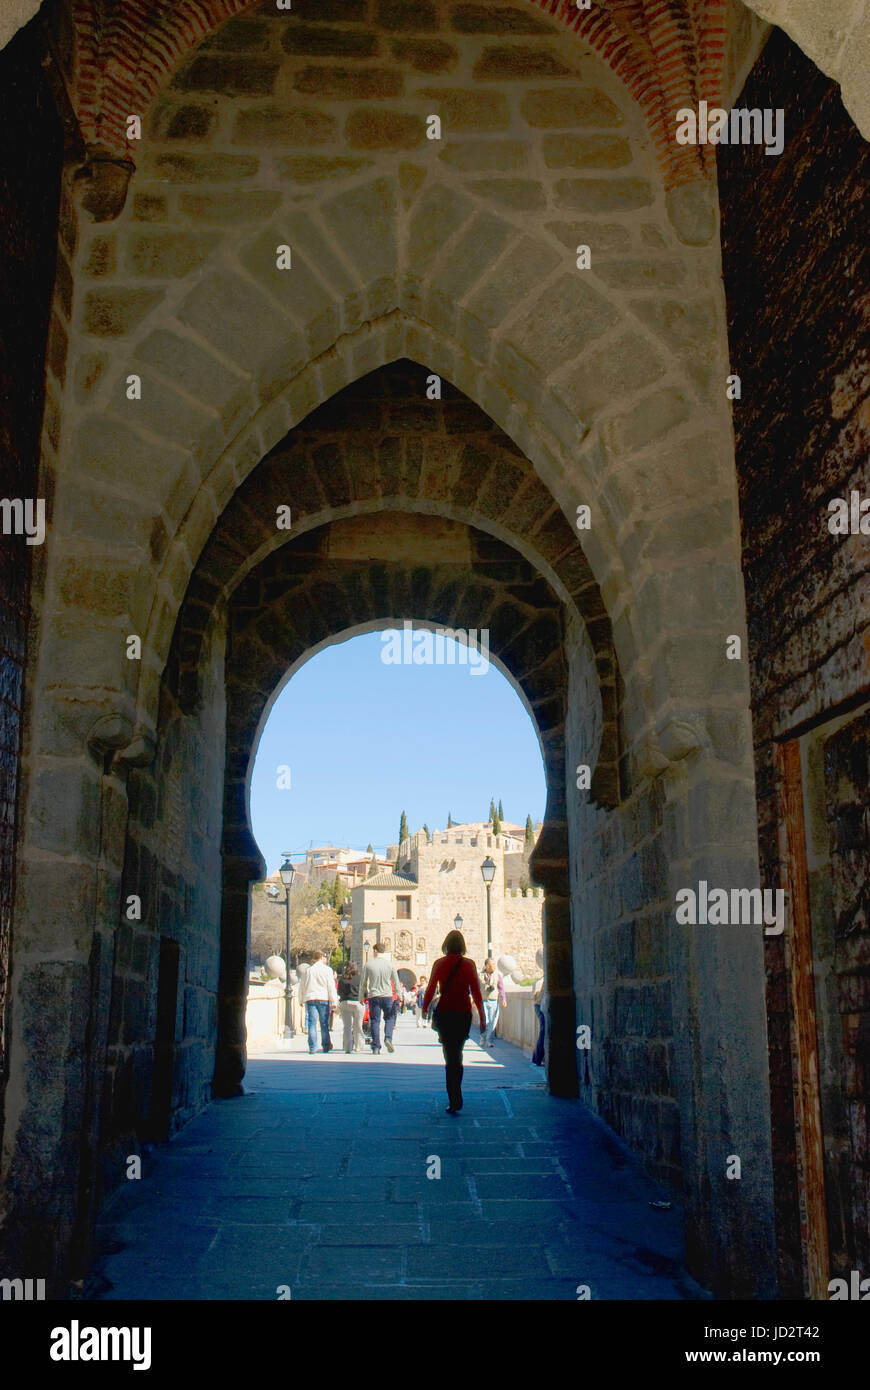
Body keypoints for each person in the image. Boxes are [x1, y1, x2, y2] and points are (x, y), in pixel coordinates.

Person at [423, 929, 485, 1114]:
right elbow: (476, 991)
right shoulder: (469, 965)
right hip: (463, 1013)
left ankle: (454, 1097)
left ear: (446, 945)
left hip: (446, 1012)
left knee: (449, 1055)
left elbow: (431, 987)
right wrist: (482, 1017)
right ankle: (456, 1094)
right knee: (457, 1053)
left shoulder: (439, 964)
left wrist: (425, 1007)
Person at [358, 942, 401, 1054]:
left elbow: (363, 982)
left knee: (375, 1020)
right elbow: (396, 982)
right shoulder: (390, 964)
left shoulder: (368, 964)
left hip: (374, 995)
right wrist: (399, 996)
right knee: (389, 1018)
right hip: (387, 995)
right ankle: (388, 1038)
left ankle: (376, 1046)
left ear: (375, 951)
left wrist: (361, 996)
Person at [297, 950, 338, 1054]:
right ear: (321, 958)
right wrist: (334, 1001)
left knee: (312, 1023)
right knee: (324, 1024)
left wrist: (301, 999)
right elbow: (331, 986)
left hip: (311, 998)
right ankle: (326, 1045)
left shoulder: (308, 970)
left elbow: (302, 985)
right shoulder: (327, 970)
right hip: (323, 998)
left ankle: (312, 1047)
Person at [337, 962, 365, 1053]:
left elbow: (339, 991)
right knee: (358, 1026)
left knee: (347, 1026)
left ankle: (348, 1047)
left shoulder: (342, 978)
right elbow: (364, 992)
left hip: (345, 1002)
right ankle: (358, 1046)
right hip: (358, 1002)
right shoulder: (360, 978)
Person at [480, 958, 506, 1048]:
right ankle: (483, 1036)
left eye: (494, 965)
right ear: (487, 966)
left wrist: (503, 999)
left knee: (492, 1022)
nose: (494, 967)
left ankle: (489, 1040)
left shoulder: (497, 975)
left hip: (493, 1001)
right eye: (492, 965)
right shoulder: (481, 975)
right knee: (486, 1021)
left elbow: (501, 987)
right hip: (483, 1001)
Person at [532, 975, 546, 1067]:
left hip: (540, 1005)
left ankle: (537, 1058)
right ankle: (537, 1058)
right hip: (541, 1005)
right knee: (543, 1032)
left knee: (543, 1032)